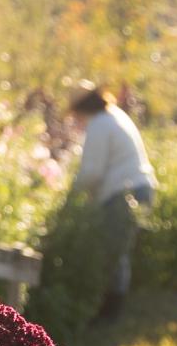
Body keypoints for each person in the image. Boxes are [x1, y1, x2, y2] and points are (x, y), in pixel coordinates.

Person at [66, 84, 155, 323]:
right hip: (139, 188)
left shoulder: (99, 124)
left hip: (123, 193)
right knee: (118, 251)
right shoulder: (114, 116)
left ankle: (109, 315)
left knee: (112, 252)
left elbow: (92, 173)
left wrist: (70, 198)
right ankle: (112, 311)